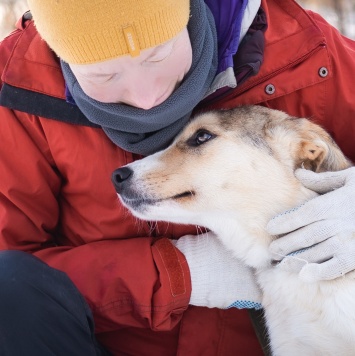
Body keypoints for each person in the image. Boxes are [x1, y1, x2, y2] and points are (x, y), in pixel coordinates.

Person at [0, 0, 354, 355]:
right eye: (103, 75)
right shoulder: (16, 85)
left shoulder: (304, 46)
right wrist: (180, 273)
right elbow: (16, 278)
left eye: (158, 54)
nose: (146, 98)